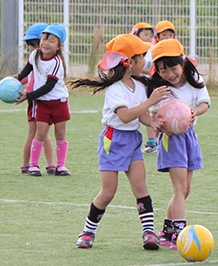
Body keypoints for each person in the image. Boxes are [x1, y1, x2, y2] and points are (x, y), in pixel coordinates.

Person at [68, 34, 170, 250]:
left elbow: (141, 116)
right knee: (108, 192)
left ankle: (149, 232)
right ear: (129, 62)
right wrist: (151, 102)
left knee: (140, 186)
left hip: (133, 139)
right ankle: (88, 231)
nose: (145, 60)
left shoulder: (139, 86)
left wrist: (154, 120)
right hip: (113, 141)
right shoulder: (115, 90)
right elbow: (125, 116)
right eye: (141, 56)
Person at [148, 39, 211, 250]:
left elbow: (204, 102)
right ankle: (180, 233)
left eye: (172, 68)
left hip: (189, 137)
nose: (169, 74)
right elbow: (153, 114)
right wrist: (158, 123)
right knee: (179, 188)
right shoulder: (160, 89)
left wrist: (195, 112)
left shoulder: (194, 79)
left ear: (182, 62)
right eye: (162, 70)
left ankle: (166, 231)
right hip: (171, 140)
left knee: (185, 190)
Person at [15, 23, 71, 176]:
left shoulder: (56, 63)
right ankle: (33, 166)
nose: (46, 42)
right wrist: (18, 78)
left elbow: (49, 86)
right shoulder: (35, 55)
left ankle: (60, 166)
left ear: (59, 46)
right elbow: (28, 69)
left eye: (52, 40)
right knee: (39, 134)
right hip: (42, 103)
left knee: (60, 134)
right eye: (44, 38)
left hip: (59, 102)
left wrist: (29, 95)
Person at [19, 23, 55, 175]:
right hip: (35, 99)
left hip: (45, 99)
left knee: (43, 132)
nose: (33, 48)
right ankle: (28, 164)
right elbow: (27, 75)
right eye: (30, 45)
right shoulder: (35, 58)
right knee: (35, 132)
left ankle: (50, 164)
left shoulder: (50, 60)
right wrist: (16, 82)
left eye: (34, 44)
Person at [131, 22, 158, 153]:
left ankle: (152, 141)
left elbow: (154, 69)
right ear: (136, 34)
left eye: (150, 35)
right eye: (145, 34)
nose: (148, 37)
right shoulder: (132, 51)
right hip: (135, 86)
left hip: (148, 86)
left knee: (147, 111)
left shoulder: (153, 50)